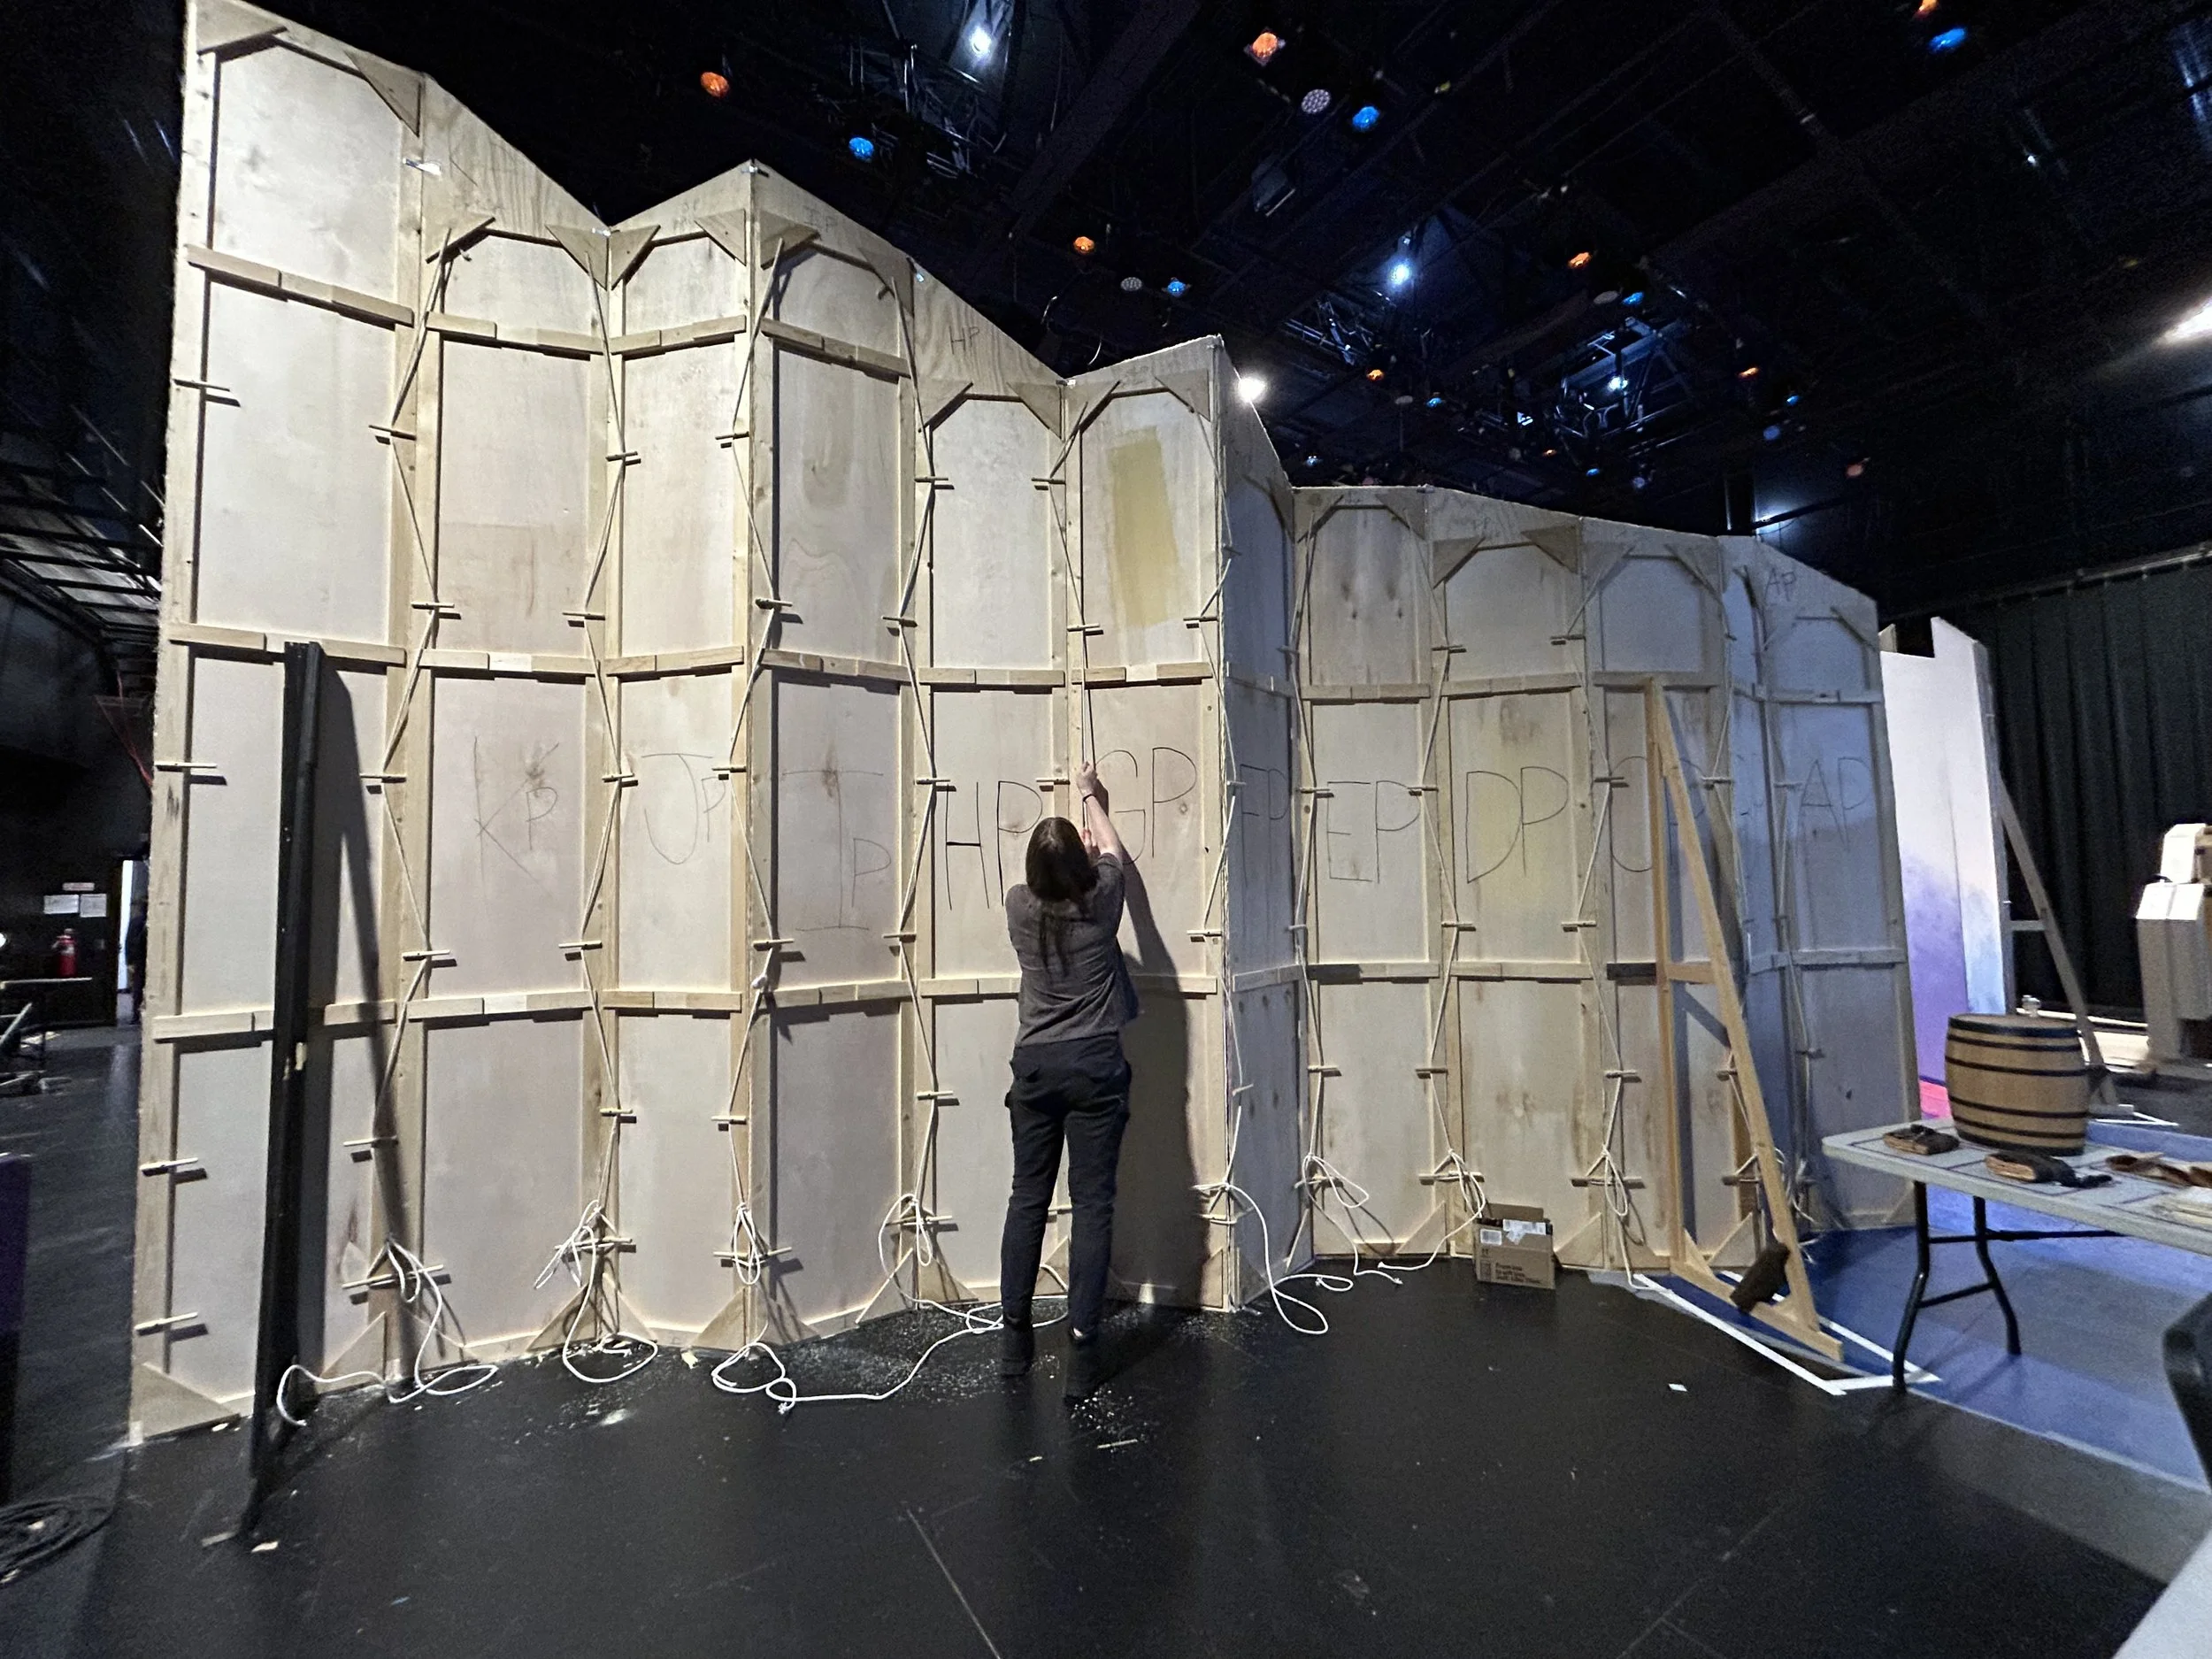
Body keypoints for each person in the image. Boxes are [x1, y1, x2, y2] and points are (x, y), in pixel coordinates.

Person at [997, 757, 1138, 1403]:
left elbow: (1082, 867)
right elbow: (1114, 850)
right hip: (1094, 1066)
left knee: (1028, 1197)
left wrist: (1073, 851)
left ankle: (1016, 1340)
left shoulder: (1019, 907)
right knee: (1093, 1203)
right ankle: (1083, 1346)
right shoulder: (1102, 900)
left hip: (1036, 1065)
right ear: (1082, 870)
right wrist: (1091, 796)